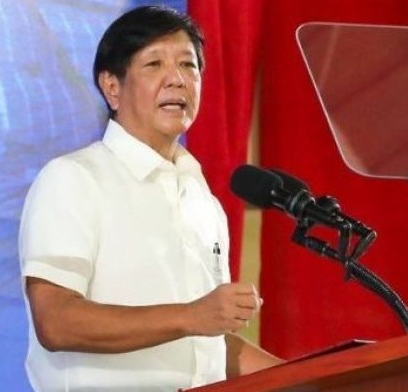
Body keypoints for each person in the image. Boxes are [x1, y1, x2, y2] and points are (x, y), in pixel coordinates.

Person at [19, 5, 281, 391]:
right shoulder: (73, 179)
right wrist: (192, 316)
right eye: (154, 64)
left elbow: (203, 343)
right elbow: (56, 321)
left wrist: (330, 381)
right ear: (112, 87)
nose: (177, 79)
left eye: (189, 66)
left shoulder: (203, 201)